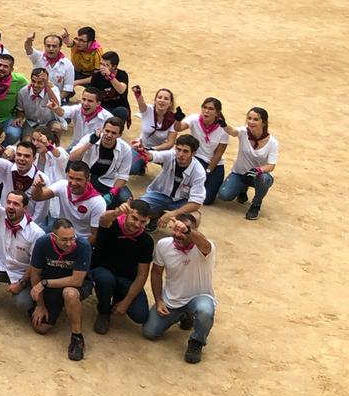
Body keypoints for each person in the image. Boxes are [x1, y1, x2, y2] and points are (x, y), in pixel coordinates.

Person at [142, 213, 216, 363]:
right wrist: (159, 300)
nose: (178, 235)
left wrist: (187, 230)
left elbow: (204, 244)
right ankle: (185, 315)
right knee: (149, 332)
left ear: (194, 230)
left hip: (199, 297)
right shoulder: (163, 245)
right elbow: (156, 272)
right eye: (175, 230)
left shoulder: (205, 247)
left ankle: (196, 342)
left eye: (183, 231)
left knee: (205, 311)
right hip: (172, 300)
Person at [25, 218, 92, 362]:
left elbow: (77, 280)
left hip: (73, 285)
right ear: (53, 237)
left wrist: (45, 283)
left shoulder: (83, 246)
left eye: (72, 238)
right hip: (52, 284)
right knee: (41, 327)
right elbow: (35, 273)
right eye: (64, 239)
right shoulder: (42, 243)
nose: (69, 243)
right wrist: (40, 305)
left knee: (70, 293)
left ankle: (77, 337)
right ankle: (57, 307)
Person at [88, 200, 154, 335]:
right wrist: (116, 212)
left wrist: (126, 301)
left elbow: (142, 274)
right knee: (106, 280)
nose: (137, 224)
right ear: (127, 214)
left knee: (140, 315)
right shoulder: (112, 223)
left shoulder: (146, 241)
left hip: (126, 279)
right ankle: (104, 312)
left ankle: (119, 297)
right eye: (134, 218)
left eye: (142, 222)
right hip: (102, 270)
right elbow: (103, 219)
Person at [215, 105, 278, 220]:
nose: (251, 122)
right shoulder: (244, 132)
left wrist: (258, 170)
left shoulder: (273, 142)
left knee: (264, 179)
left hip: (257, 176)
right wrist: (223, 124)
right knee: (224, 195)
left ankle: (256, 204)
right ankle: (242, 189)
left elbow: (271, 165)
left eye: (255, 119)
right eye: (249, 118)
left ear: (263, 122)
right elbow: (233, 132)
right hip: (239, 174)